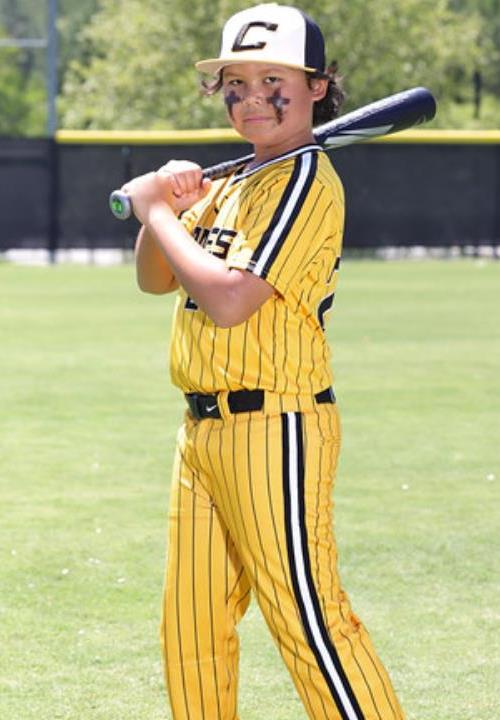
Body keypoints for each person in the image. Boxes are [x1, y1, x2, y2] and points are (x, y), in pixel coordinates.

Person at [121, 4, 405, 719]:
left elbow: (228, 300)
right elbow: (157, 279)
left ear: (316, 86)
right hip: (203, 431)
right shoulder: (238, 181)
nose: (251, 96)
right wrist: (173, 207)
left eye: (272, 79)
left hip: (274, 427)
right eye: (236, 81)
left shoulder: (305, 178)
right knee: (190, 630)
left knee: (309, 623)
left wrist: (155, 210)